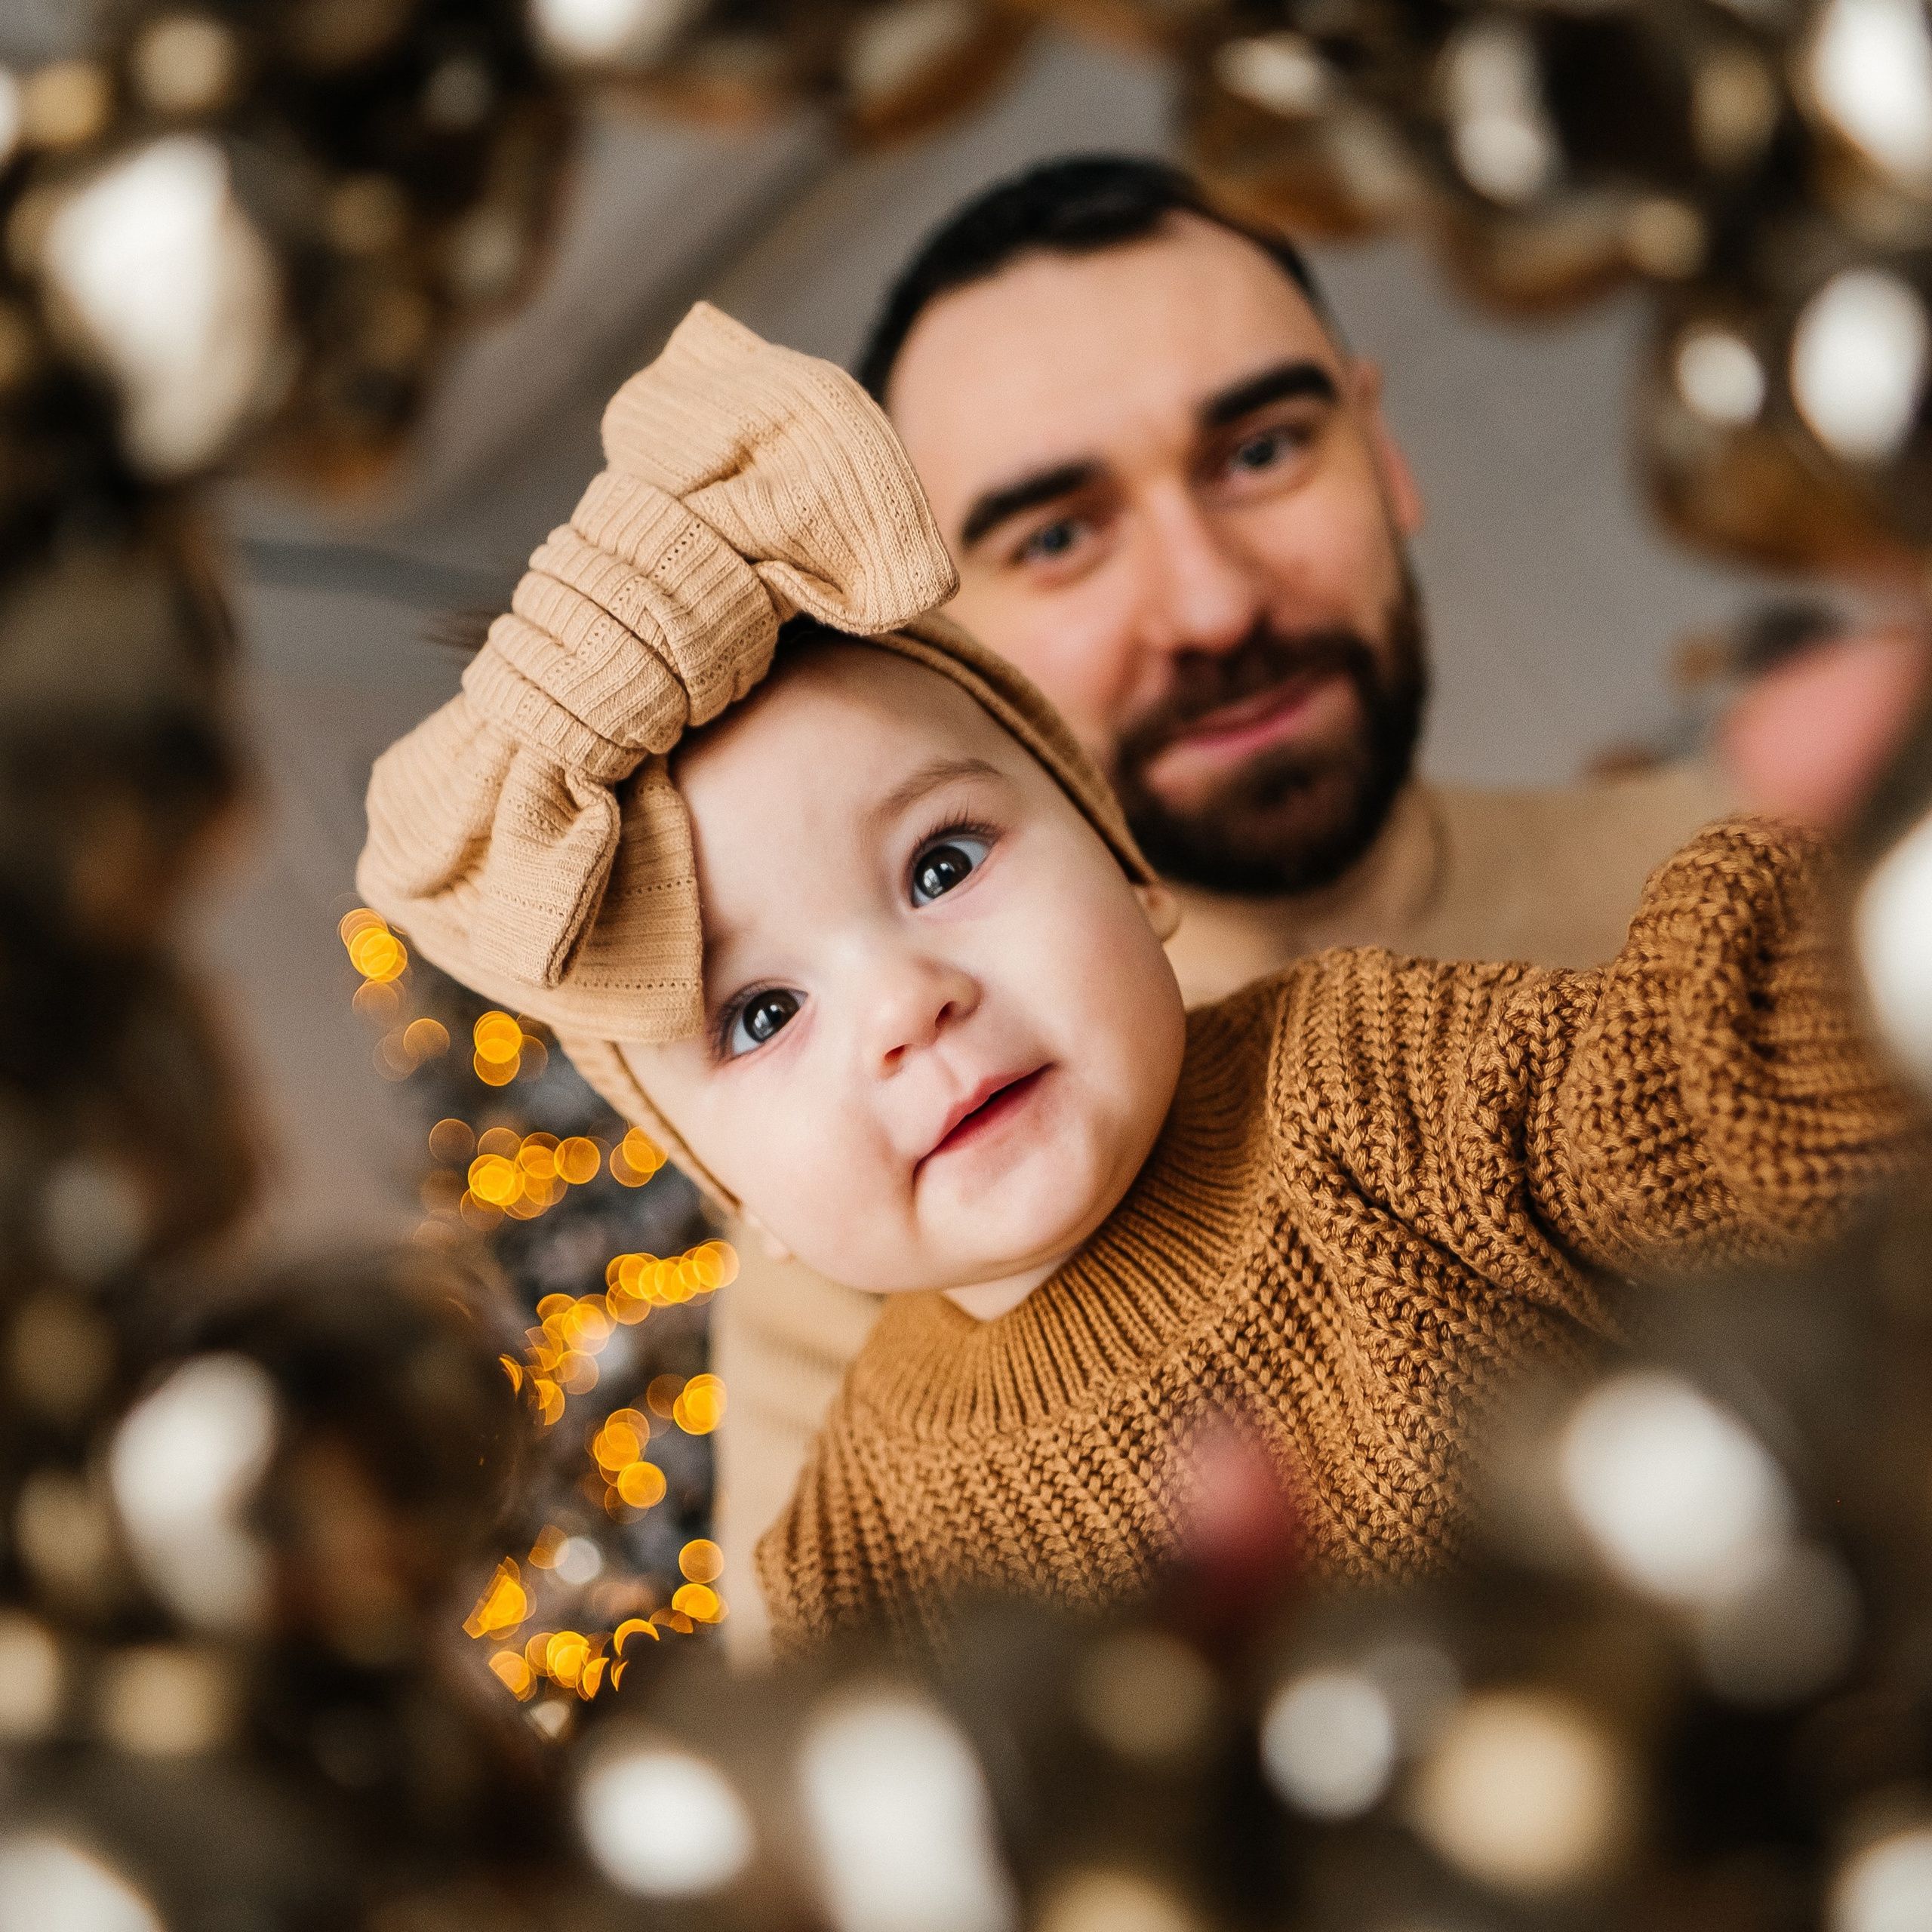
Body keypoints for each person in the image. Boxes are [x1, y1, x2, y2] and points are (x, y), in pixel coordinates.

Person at [359, 307, 1918, 1656]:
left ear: (1121, 860)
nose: (908, 1004)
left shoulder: (1366, 1079)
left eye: (943, 862)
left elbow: (1715, 1083)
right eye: (761, 1014)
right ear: (723, 1182)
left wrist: (1862, 915)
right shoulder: (855, 1554)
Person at [715, 156, 1735, 1653]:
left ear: (1378, 453)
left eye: (1259, 449)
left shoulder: (1784, 882)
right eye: (1055, 533)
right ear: (941, 648)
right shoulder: (863, 1301)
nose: (1211, 604)